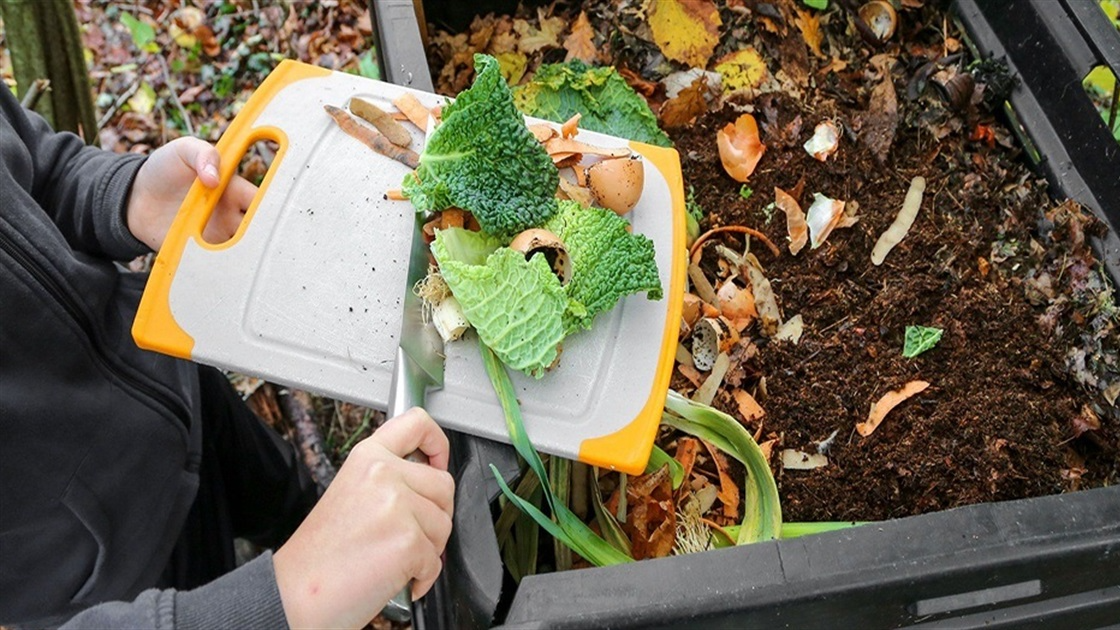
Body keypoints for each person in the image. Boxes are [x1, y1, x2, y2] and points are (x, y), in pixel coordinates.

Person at [0, 83, 454, 629]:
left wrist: (125, 196)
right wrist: (282, 600)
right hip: (112, 577)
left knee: (285, 497)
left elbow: (36, 167)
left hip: (171, 384)